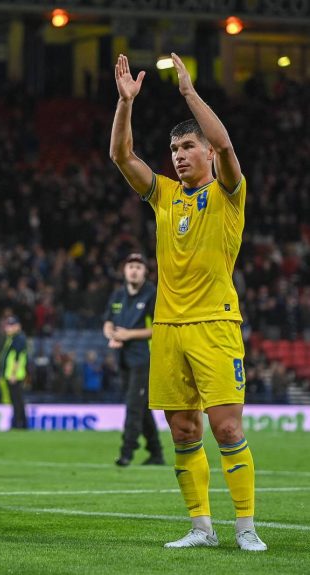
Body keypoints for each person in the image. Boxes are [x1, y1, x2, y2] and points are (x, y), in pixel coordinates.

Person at [110, 53, 266, 551]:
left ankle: (246, 528)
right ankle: (201, 527)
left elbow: (226, 143)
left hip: (215, 324)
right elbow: (121, 156)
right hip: (168, 329)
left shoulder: (229, 192)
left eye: (187, 146)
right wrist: (125, 103)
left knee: (226, 427)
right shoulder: (163, 194)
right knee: (182, 430)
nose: (178, 155)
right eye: (174, 148)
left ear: (207, 153)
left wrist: (188, 93)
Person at [102, 253, 163, 467]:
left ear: (145, 272)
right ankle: (156, 453)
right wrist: (112, 335)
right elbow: (108, 322)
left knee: (133, 405)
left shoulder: (152, 294)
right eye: (131, 266)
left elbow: (159, 328)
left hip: (144, 358)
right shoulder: (118, 295)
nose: (134, 270)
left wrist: (128, 335)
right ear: (124, 271)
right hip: (123, 359)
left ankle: (126, 452)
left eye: (138, 266)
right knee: (141, 407)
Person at [0, 317, 28, 430]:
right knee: (17, 399)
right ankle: (21, 423)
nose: (7, 328)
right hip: (12, 374)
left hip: (15, 375)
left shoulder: (18, 338)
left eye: (10, 326)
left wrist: (13, 374)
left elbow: (17, 358)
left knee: (17, 400)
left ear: (17, 326)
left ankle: (18, 423)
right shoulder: (13, 338)